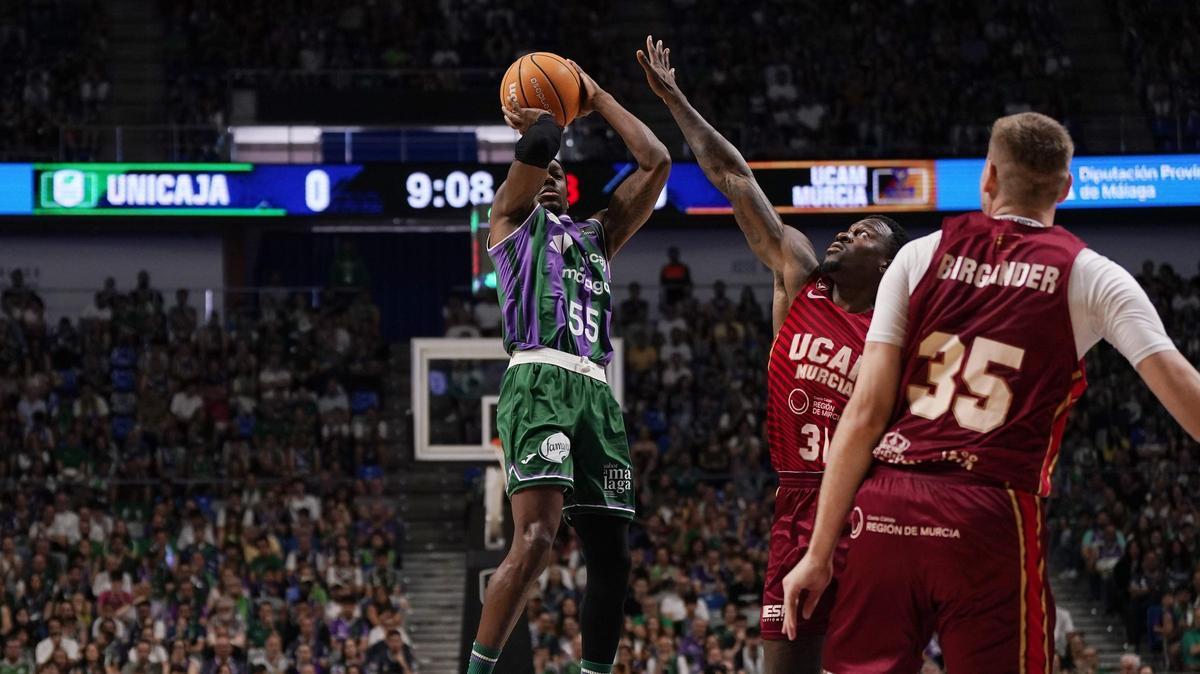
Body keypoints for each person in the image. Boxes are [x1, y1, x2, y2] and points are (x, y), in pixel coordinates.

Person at [780, 112, 1200, 672]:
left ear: (989, 179)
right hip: (988, 511)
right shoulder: (1092, 275)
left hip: (886, 505)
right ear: (1066, 188)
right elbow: (1182, 391)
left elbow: (863, 414)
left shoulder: (917, 255)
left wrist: (817, 552)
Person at [638, 36, 908, 673]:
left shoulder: (896, 332)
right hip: (793, 505)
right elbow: (735, 178)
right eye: (848, 226)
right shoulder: (798, 279)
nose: (847, 231)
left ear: (889, 264)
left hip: (868, 510)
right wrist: (675, 99)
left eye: (865, 232)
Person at [466, 57, 670, 674]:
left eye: (559, 174)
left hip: (596, 392)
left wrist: (599, 91)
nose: (550, 175)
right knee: (533, 542)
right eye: (540, 172)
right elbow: (544, 140)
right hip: (538, 380)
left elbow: (656, 160)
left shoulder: (596, 236)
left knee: (614, 559)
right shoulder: (508, 223)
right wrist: (550, 113)